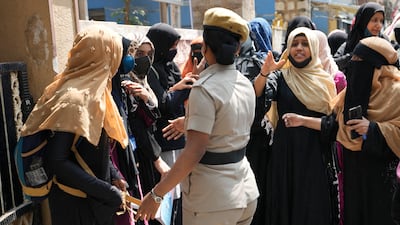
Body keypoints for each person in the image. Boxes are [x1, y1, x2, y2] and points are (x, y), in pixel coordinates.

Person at [135, 7, 259, 225]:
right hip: (245, 190)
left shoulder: (205, 89)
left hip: (213, 201)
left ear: (205, 48)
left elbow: (194, 151)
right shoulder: (244, 82)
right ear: (237, 48)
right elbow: (226, 126)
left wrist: (156, 194)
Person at [283, 36, 400, 225]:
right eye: (353, 60)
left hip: (383, 181)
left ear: (379, 66)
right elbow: (336, 126)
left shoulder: (396, 93)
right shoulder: (352, 91)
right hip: (354, 175)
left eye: (360, 61)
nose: (354, 65)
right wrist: (302, 121)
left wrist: (373, 129)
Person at [20, 25, 128, 225]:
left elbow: (95, 142)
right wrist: (106, 192)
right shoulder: (74, 98)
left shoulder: (95, 91)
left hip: (92, 199)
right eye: (115, 53)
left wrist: (114, 176)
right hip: (74, 206)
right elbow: (57, 160)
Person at [254, 27, 337, 225]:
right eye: (294, 44)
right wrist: (264, 73)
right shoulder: (282, 76)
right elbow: (257, 96)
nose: (299, 48)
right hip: (285, 157)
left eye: (305, 44)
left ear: (314, 47)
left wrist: (303, 120)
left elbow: (333, 126)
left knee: (311, 208)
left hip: (314, 156)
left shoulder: (324, 81)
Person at [146, 22, 198, 225]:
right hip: (165, 139)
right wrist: (178, 89)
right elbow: (162, 105)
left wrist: (183, 86)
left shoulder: (170, 67)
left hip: (179, 139)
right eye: (170, 46)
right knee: (166, 197)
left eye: (175, 46)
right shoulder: (150, 71)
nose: (173, 51)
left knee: (181, 197)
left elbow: (180, 94)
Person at [334, 2, 385, 74]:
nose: (379, 25)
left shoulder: (384, 44)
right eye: (374, 20)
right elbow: (334, 64)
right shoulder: (350, 44)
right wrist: (354, 56)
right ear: (363, 21)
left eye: (381, 21)